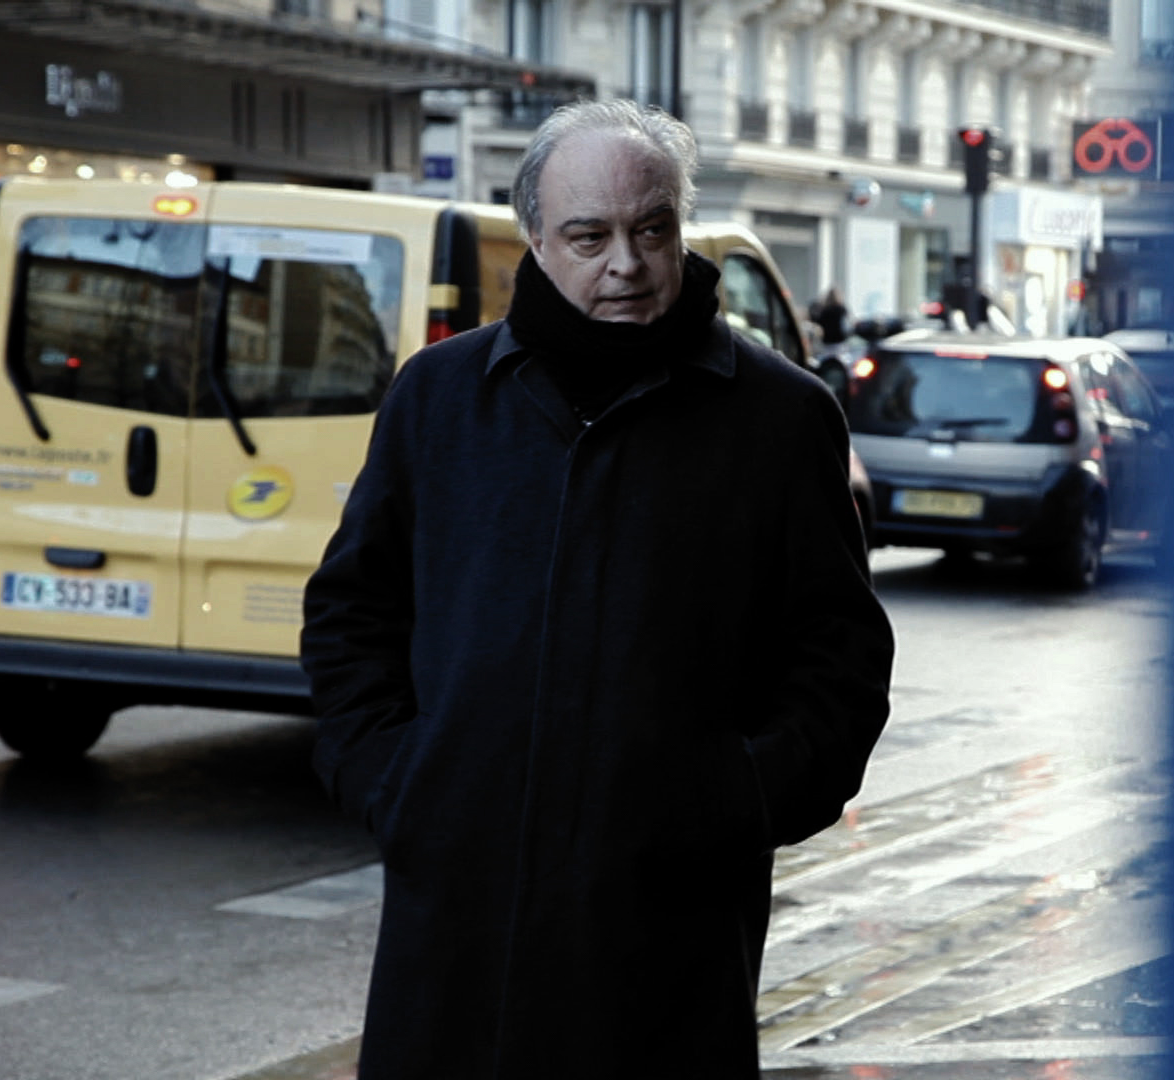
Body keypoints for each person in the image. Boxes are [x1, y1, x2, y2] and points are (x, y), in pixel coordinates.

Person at [300, 99, 895, 1079]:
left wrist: (737, 798)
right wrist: (396, 782)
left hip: (668, 934)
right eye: (590, 237)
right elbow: (351, 613)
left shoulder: (782, 417)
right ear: (536, 240)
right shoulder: (439, 395)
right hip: (458, 920)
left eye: (651, 230)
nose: (627, 263)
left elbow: (841, 666)